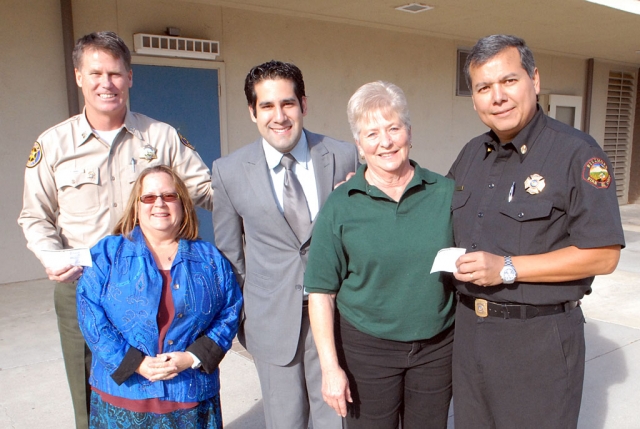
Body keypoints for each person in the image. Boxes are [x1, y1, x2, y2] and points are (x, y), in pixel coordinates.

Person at [17, 31, 213, 429]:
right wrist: (50, 256)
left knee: (157, 390)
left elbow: (208, 190)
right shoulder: (53, 144)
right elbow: (34, 215)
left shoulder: (161, 137)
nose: (106, 83)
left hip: (155, 286)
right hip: (82, 284)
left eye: (115, 73)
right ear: (78, 77)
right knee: (89, 392)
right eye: (95, 73)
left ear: (130, 77)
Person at [448, 34, 625, 429]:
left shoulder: (577, 153)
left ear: (535, 81)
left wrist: (507, 267)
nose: (498, 96)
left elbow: (604, 254)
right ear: (475, 98)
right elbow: (434, 215)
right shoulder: (471, 154)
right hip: (470, 338)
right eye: (484, 87)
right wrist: (377, 184)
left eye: (509, 81)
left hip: (538, 344)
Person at [211, 60, 359, 429]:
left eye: (288, 103)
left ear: (303, 105)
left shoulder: (345, 157)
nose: (279, 116)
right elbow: (230, 256)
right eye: (267, 106)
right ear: (252, 112)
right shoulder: (228, 171)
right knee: (284, 422)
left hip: (340, 320)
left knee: (337, 421)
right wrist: (246, 320)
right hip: (272, 322)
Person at [304, 81, 456, 429]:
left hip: (436, 350)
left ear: (409, 133)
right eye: (371, 133)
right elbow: (321, 293)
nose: (385, 142)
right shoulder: (341, 205)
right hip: (366, 353)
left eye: (393, 129)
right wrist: (331, 369)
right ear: (359, 144)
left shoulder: (445, 194)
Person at [76, 165, 241, 428]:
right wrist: (136, 363)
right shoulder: (107, 254)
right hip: (123, 397)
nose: (160, 204)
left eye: (169, 196)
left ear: (183, 204)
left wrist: (191, 358)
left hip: (189, 394)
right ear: (136, 206)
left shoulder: (209, 258)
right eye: (149, 197)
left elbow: (230, 311)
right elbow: (90, 314)